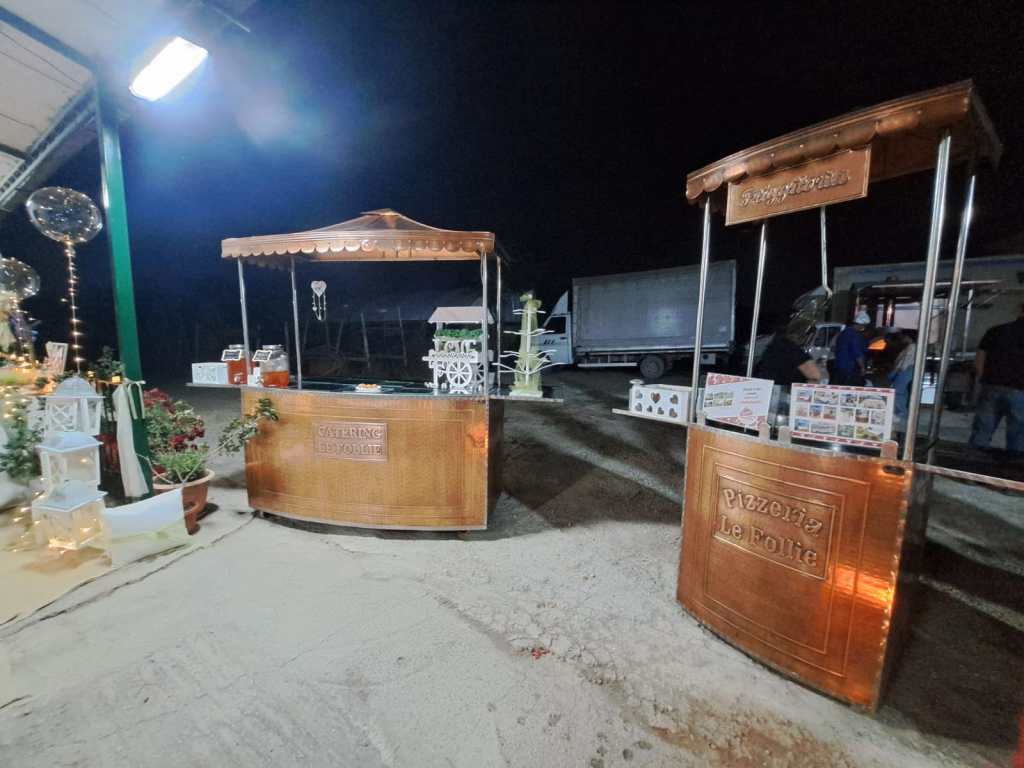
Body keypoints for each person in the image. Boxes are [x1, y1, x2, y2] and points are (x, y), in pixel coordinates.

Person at [969, 305, 1024, 453]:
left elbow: (979, 359)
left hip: (991, 386)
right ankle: (1013, 464)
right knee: (1018, 433)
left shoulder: (996, 331)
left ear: (1020, 310)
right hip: (1020, 390)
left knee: (982, 429)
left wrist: (982, 378)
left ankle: (972, 461)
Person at [755, 322, 822, 386]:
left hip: (766, 387)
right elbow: (815, 377)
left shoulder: (769, 346)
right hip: (785, 390)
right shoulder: (793, 351)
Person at [833, 311, 871, 385]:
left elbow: (836, 348)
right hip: (850, 369)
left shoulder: (843, 333)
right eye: (864, 325)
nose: (864, 327)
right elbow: (857, 353)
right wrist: (862, 368)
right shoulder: (855, 336)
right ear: (861, 324)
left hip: (839, 368)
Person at [887, 330, 916, 425]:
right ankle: (901, 412)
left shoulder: (912, 347)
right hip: (905, 370)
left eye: (903, 336)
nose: (902, 338)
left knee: (898, 391)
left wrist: (897, 370)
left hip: (905, 370)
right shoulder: (911, 346)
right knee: (902, 392)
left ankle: (902, 413)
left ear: (908, 337)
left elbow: (906, 361)